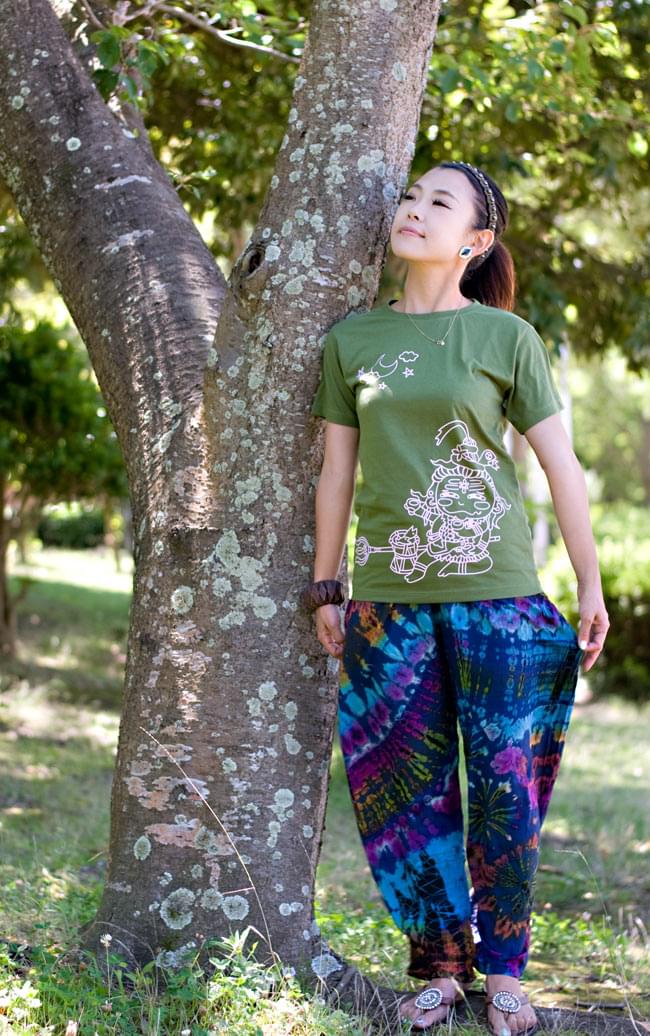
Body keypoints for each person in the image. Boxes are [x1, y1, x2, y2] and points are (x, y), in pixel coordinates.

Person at [303, 161, 609, 1036]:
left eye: (439, 202)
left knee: (506, 790)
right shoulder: (353, 339)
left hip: (500, 601)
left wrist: (588, 582)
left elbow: (560, 465)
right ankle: (439, 968)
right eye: (412, 196)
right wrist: (327, 585)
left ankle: (505, 969)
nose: (414, 209)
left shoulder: (505, 338)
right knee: (404, 793)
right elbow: (336, 473)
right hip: (388, 607)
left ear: (475, 241)